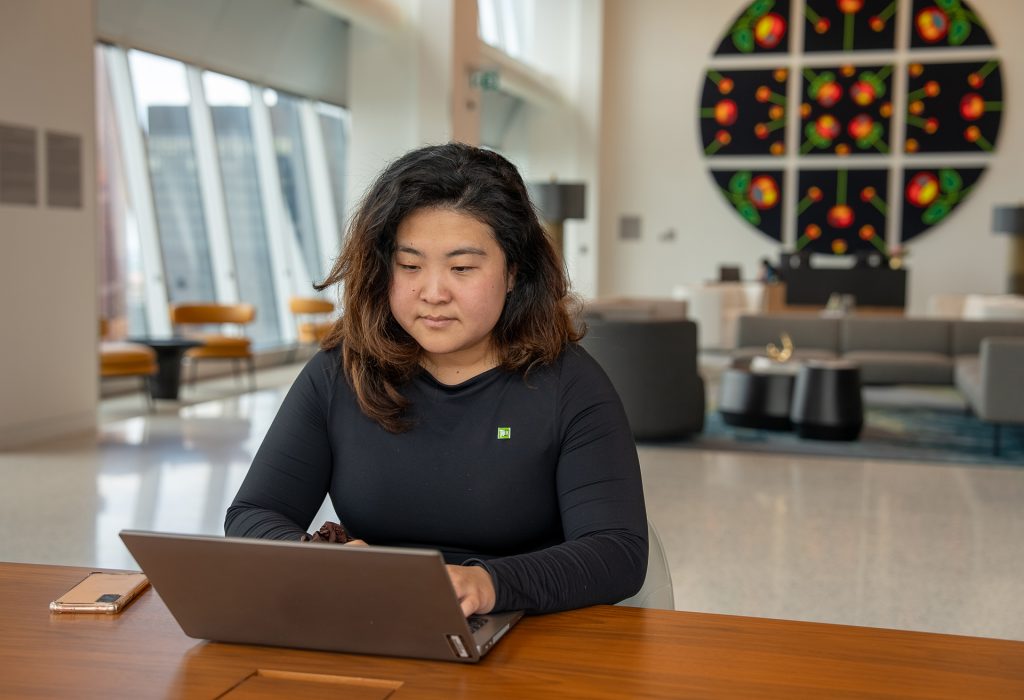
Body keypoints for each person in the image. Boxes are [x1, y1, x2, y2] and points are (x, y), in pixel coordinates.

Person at [225, 143, 648, 617]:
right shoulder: (340, 370)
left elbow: (617, 551)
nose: (432, 293)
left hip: (523, 628)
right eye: (409, 266)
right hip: (374, 619)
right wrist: (321, 560)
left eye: (462, 268)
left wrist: (489, 584)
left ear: (514, 271)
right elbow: (253, 514)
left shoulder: (571, 385)